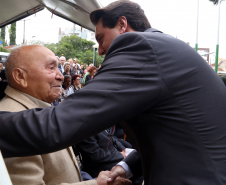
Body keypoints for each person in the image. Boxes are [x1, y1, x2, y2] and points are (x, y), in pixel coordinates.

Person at [0, 1, 226, 185]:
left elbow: (59, 124)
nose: (99, 50)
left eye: (100, 38)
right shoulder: (162, 48)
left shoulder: (139, 47)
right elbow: (174, 134)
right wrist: (127, 165)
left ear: (122, 25)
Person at [0, 44, 129, 185]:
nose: (61, 76)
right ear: (20, 76)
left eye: (58, 67)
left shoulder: (38, 109)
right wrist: (96, 183)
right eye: (51, 68)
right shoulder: (12, 120)